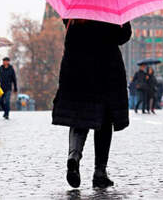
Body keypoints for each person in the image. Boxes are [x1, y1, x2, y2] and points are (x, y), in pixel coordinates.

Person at [52, 19, 132, 189]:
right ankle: (99, 172)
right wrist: (123, 22)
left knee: (79, 118)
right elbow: (123, 36)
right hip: (105, 72)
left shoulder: (74, 16)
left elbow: (69, 40)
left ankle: (73, 157)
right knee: (104, 122)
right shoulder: (109, 11)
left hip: (77, 72)